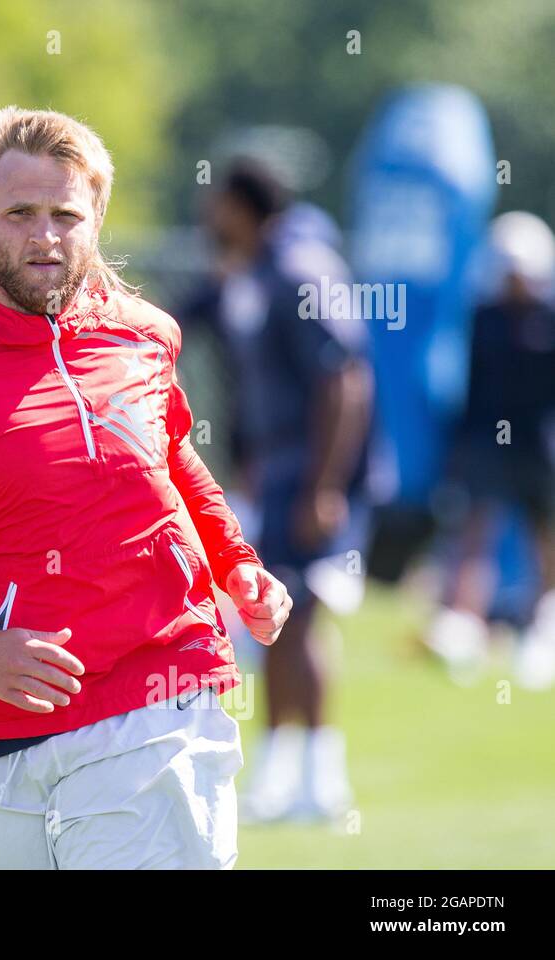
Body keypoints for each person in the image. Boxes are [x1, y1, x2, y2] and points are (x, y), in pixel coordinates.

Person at [0, 107, 292, 869]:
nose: (45, 236)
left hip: (154, 695)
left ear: (97, 215)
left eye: (66, 213)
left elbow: (169, 455)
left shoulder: (145, 336)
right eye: (20, 213)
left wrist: (236, 563)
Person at [190, 158, 373, 823]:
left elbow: (344, 378)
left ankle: (321, 781)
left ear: (243, 205)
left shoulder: (300, 270)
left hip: (309, 473)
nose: (208, 215)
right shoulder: (253, 271)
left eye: (218, 201)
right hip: (277, 473)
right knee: (277, 625)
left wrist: (324, 487)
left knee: (301, 618)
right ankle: (282, 774)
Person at [427, 211, 555, 689]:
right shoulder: (484, 318)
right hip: (487, 443)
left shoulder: (547, 319)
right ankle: (465, 626)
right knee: (475, 532)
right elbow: (472, 386)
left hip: (536, 447)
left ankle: (542, 625)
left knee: (542, 537)